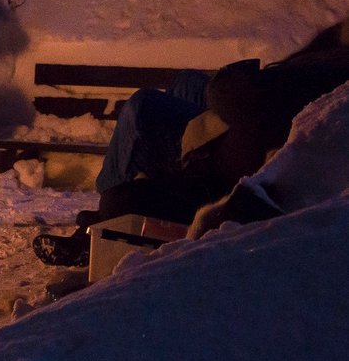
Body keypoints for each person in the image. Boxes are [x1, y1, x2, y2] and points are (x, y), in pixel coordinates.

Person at [33, 37, 349, 267]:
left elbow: (259, 96)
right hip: (241, 123)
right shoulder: (333, 49)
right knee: (187, 82)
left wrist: (240, 81)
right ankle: (109, 220)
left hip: (242, 140)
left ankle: (100, 231)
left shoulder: (334, 75)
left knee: (143, 109)